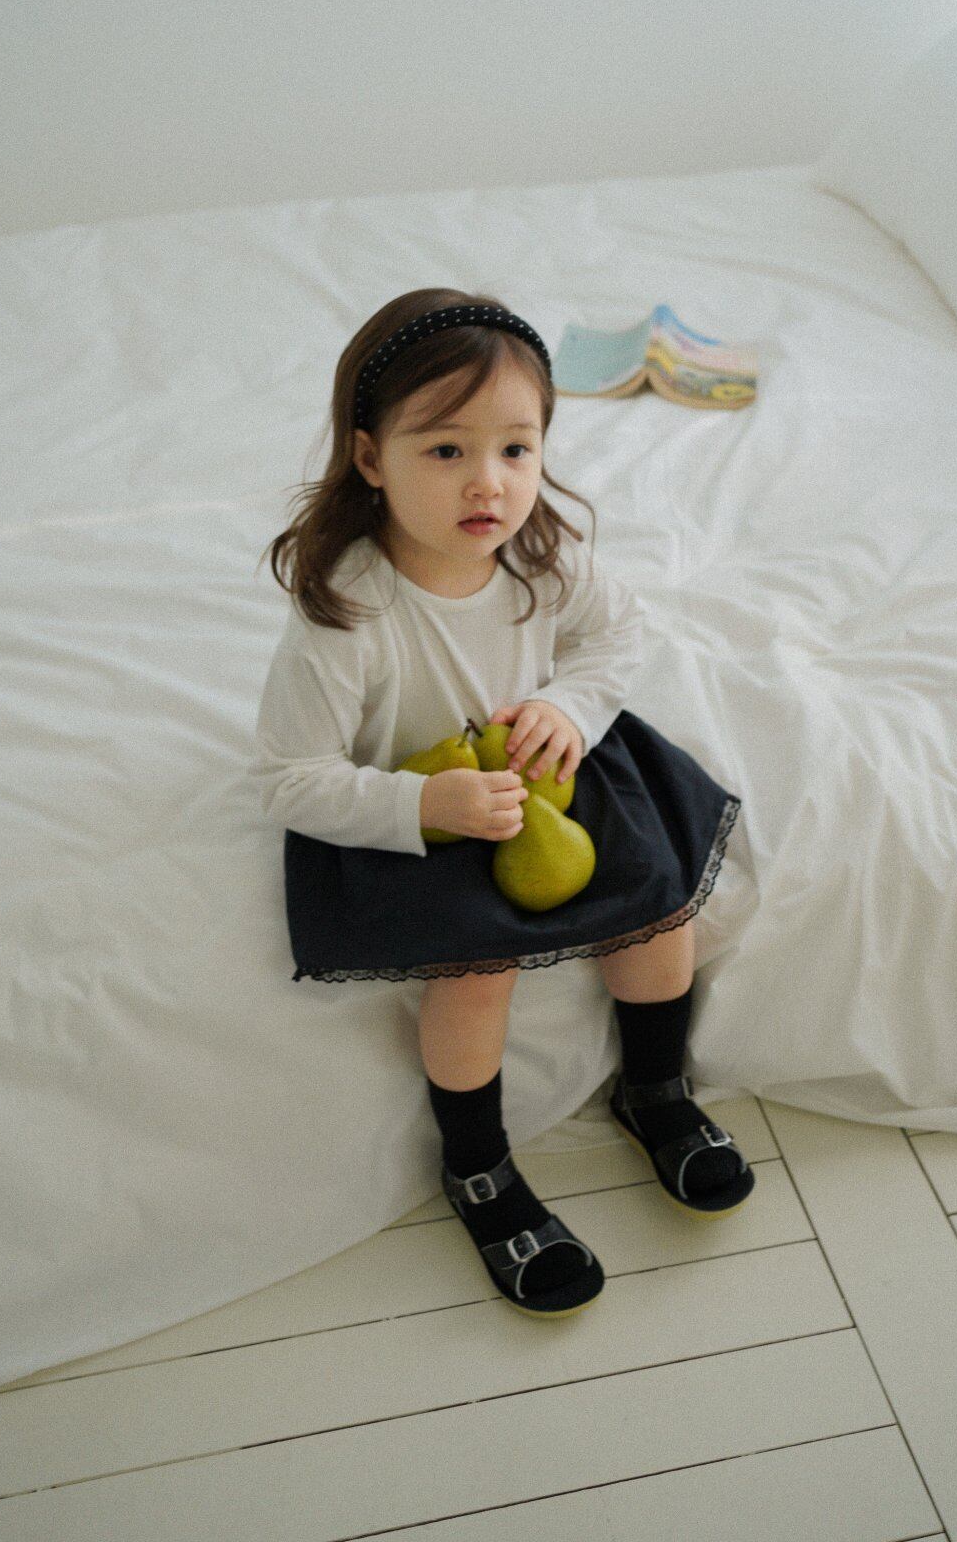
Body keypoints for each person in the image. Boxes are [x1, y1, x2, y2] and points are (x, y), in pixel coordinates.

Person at [251, 290, 753, 1318]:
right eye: (446, 450)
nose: (489, 482)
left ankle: (655, 1091)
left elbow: (616, 637)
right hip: (414, 803)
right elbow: (290, 776)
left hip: (543, 774)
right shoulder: (346, 612)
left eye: (516, 449)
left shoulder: (541, 554)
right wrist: (422, 805)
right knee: (475, 974)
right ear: (369, 457)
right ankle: (476, 1165)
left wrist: (569, 708)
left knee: (659, 916)